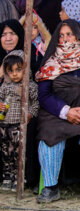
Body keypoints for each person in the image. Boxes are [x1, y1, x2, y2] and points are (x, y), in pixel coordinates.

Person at [35, 20, 80, 203]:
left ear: (78, 36)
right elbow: (43, 95)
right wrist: (65, 111)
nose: (65, 39)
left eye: (69, 34)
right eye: (61, 35)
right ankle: (51, 187)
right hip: (57, 115)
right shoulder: (51, 62)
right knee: (49, 136)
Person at [0, 51, 38, 191]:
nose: (15, 74)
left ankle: (19, 176)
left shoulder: (30, 87)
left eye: (18, 70)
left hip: (19, 125)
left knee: (19, 152)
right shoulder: (5, 87)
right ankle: (7, 175)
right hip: (5, 124)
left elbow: (36, 104)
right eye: (11, 71)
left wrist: (30, 114)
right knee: (6, 151)